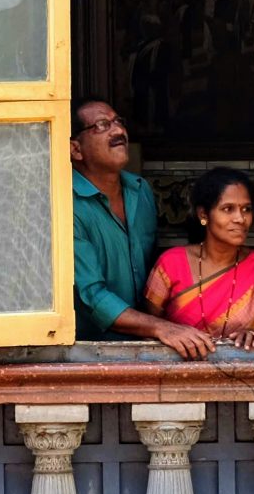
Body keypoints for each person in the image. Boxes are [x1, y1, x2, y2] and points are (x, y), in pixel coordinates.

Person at [70, 98, 214, 359]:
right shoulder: (67, 204)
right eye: (101, 126)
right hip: (89, 355)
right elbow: (92, 296)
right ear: (76, 149)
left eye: (118, 122)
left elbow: (157, 272)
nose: (118, 132)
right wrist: (161, 327)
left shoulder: (140, 190)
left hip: (148, 347)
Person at [143, 167, 254, 350]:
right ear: (203, 214)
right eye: (228, 209)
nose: (240, 219)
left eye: (246, 209)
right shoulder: (172, 263)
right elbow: (148, 330)